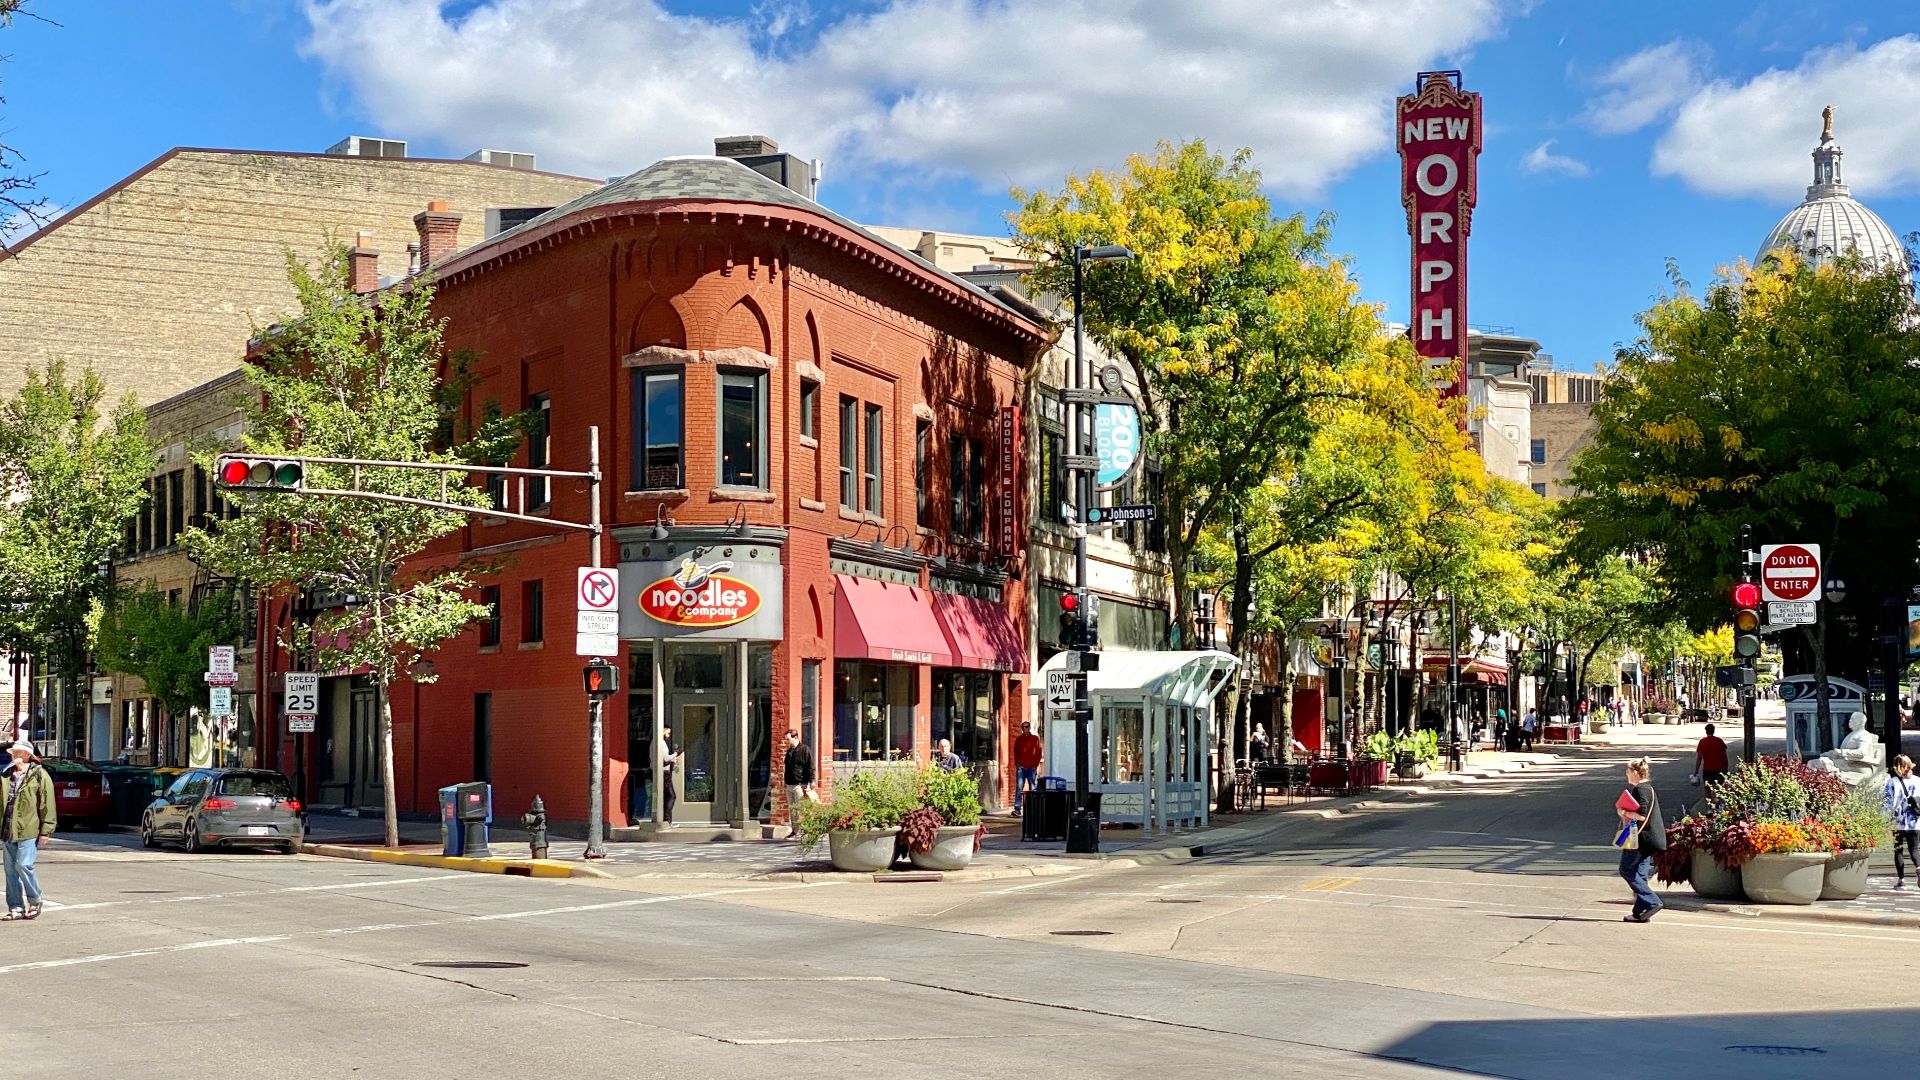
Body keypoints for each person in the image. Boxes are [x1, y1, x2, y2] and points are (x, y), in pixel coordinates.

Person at [0, 739, 54, 921]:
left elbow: (47, 803)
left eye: (18, 752)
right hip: (8, 829)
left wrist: (46, 830)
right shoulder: (6, 774)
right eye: (13, 752)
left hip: (28, 829)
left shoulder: (39, 775)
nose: (15, 755)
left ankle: (35, 899)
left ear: (27, 755)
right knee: (10, 871)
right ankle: (15, 907)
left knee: (23, 865)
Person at [1617, 756, 1665, 923]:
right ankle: (1640, 912)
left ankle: (1652, 901)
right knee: (1640, 874)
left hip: (1640, 838)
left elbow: (1642, 815)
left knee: (1626, 869)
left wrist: (1624, 812)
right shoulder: (1649, 788)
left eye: (1628, 771)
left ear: (1636, 773)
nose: (1627, 774)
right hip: (1651, 838)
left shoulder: (1640, 790)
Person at [1887, 755, 1920, 888]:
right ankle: (1918, 867)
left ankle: (1901, 880)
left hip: (1897, 822)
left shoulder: (1892, 782)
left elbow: (1888, 803)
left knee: (1898, 850)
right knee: (1914, 849)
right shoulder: (1917, 780)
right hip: (1914, 821)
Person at [782, 729, 815, 841]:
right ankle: (795, 831)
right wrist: (785, 781)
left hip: (800, 784)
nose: (787, 742)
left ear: (795, 737)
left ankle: (807, 830)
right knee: (793, 810)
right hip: (789, 784)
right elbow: (787, 767)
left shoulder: (805, 750)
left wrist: (812, 780)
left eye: (788, 739)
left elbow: (810, 766)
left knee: (802, 808)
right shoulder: (790, 751)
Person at [1012, 721, 1043, 817]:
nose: (1025, 728)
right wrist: (1018, 764)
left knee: (1033, 788)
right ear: (1022, 728)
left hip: (1031, 768)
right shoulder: (1019, 739)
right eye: (1024, 727)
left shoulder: (1035, 739)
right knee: (1019, 787)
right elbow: (1016, 752)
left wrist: (1035, 765)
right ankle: (1017, 809)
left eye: (1027, 727)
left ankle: (1033, 807)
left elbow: (1038, 752)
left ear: (1029, 728)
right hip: (1021, 768)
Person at [1693, 723, 1730, 790]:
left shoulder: (1702, 742)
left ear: (1706, 731)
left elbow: (1699, 758)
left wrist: (1696, 770)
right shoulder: (1719, 741)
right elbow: (1725, 757)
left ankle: (1710, 796)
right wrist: (1726, 769)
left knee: (1708, 789)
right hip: (1719, 769)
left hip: (1707, 770)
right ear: (1714, 731)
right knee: (1718, 790)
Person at [659, 726, 678, 827]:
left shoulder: (657, 742)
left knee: (666, 796)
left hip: (663, 771)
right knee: (671, 796)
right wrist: (675, 754)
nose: (668, 735)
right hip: (664, 772)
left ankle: (666, 820)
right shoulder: (660, 742)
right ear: (663, 730)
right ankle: (667, 820)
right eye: (668, 733)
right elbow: (665, 758)